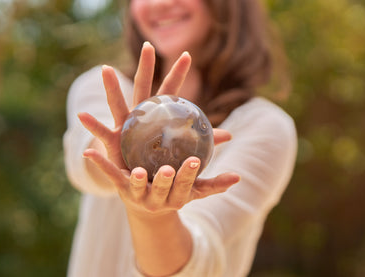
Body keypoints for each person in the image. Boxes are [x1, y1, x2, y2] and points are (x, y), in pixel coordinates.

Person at [63, 0, 297, 276]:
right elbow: (89, 164)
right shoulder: (104, 86)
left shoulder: (264, 126)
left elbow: (198, 261)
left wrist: (152, 212)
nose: (159, 3)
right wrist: (122, 157)